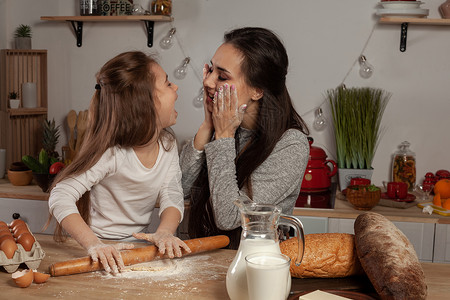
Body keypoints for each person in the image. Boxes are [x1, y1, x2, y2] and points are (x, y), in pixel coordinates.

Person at [48, 51, 190, 274]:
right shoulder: (112, 154)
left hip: (134, 247)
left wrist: (165, 232)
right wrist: (94, 244)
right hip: (97, 249)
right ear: (146, 103)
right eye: (168, 83)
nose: (176, 88)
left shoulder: (167, 145)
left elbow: (171, 193)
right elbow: (60, 195)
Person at [180, 27, 310, 249]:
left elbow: (229, 218)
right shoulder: (224, 127)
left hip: (253, 269)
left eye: (221, 76)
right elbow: (179, 189)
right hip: (203, 265)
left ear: (257, 90)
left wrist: (222, 137)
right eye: (210, 70)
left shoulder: (291, 145)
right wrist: (208, 125)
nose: (209, 82)